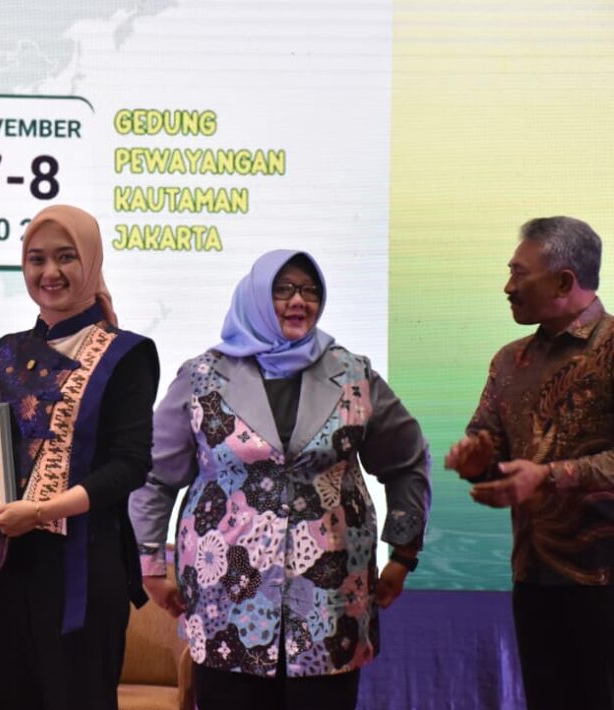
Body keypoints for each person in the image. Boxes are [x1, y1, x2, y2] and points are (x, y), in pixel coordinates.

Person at [129, 250, 430, 710]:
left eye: (310, 290)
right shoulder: (201, 377)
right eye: (283, 289)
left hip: (330, 598)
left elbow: (408, 461)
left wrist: (404, 553)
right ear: (254, 296)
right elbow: (154, 477)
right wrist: (149, 564)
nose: (299, 301)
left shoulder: (354, 374)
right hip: (226, 598)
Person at [0, 204, 160, 710]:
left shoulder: (127, 354)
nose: (50, 272)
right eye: (36, 259)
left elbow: (129, 466)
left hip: (82, 569)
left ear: (90, 261)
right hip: (5, 567)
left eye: (66, 257)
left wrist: (43, 511)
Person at [445, 216, 614, 710]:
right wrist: (476, 463)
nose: (508, 287)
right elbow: (490, 447)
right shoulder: (508, 361)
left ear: (563, 281)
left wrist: (549, 477)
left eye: (519, 274)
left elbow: (543, 472)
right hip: (535, 579)